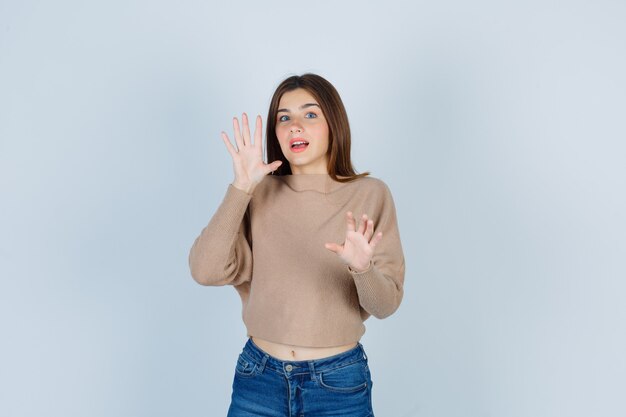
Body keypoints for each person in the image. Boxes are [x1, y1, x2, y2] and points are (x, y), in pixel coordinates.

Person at [188, 73, 406, 417]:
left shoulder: (370, 194)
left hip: (337, 384)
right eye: (284, 117)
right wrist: (241, 186)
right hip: (259, 378)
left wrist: (362, 269)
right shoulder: (258, 193)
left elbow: (385, 304)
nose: (295, 127)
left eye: (310, 114)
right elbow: (205, 270)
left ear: (334, 123)